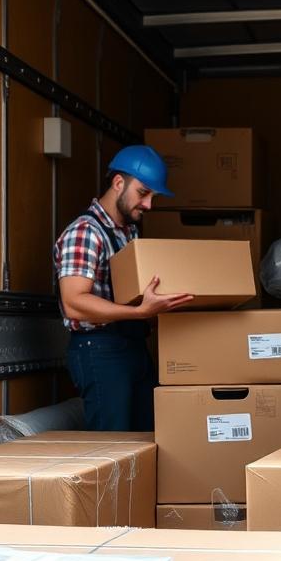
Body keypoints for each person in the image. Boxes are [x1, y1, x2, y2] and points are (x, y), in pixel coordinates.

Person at [53, 145, 193, 431]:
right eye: (143, 193)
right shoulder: (85, 233)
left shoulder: (128, 232)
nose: (149, 205)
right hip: (99, 350)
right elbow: (74, 301)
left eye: (153, 196)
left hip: (132, 346)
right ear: (119, 183)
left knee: (148, 437)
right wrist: (141, 312)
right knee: (111, 444)